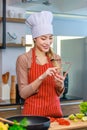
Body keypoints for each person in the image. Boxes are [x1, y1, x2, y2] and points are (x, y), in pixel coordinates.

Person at [16, 11, 65, 118]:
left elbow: (59, 94)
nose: (48, 42)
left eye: (50, 38)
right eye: (43, 38)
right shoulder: (24, 59)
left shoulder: (56, 58)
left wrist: (60, 85)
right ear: (34, 38)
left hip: (55, 113)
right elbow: (23, 94)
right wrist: (42, 77)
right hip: (33, 116)